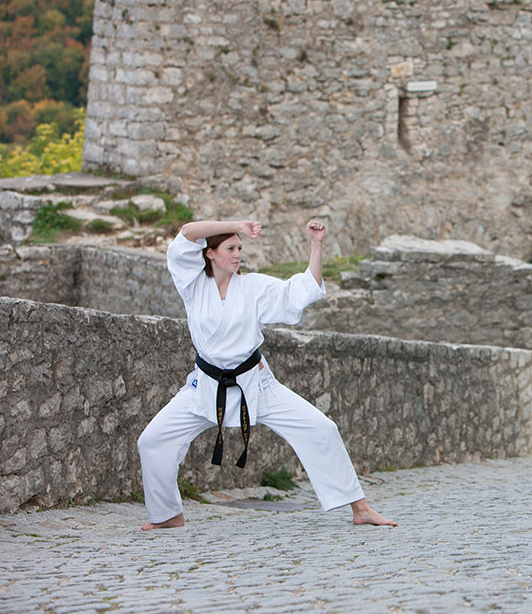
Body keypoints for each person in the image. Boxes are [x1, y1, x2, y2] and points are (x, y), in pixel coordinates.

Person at [137, 218, 396, 530]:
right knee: (152, 441)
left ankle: (360, 508)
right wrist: (237, 224)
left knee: (321, 429)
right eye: (230, 248)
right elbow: (188, 232)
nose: (238, 254)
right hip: (206, 386)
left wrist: (316, 245)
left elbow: (301, 290)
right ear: (210, 253)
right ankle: (168, 515)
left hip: (256, 384)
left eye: (240, 248)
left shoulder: (253, 287)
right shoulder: (192, 284)